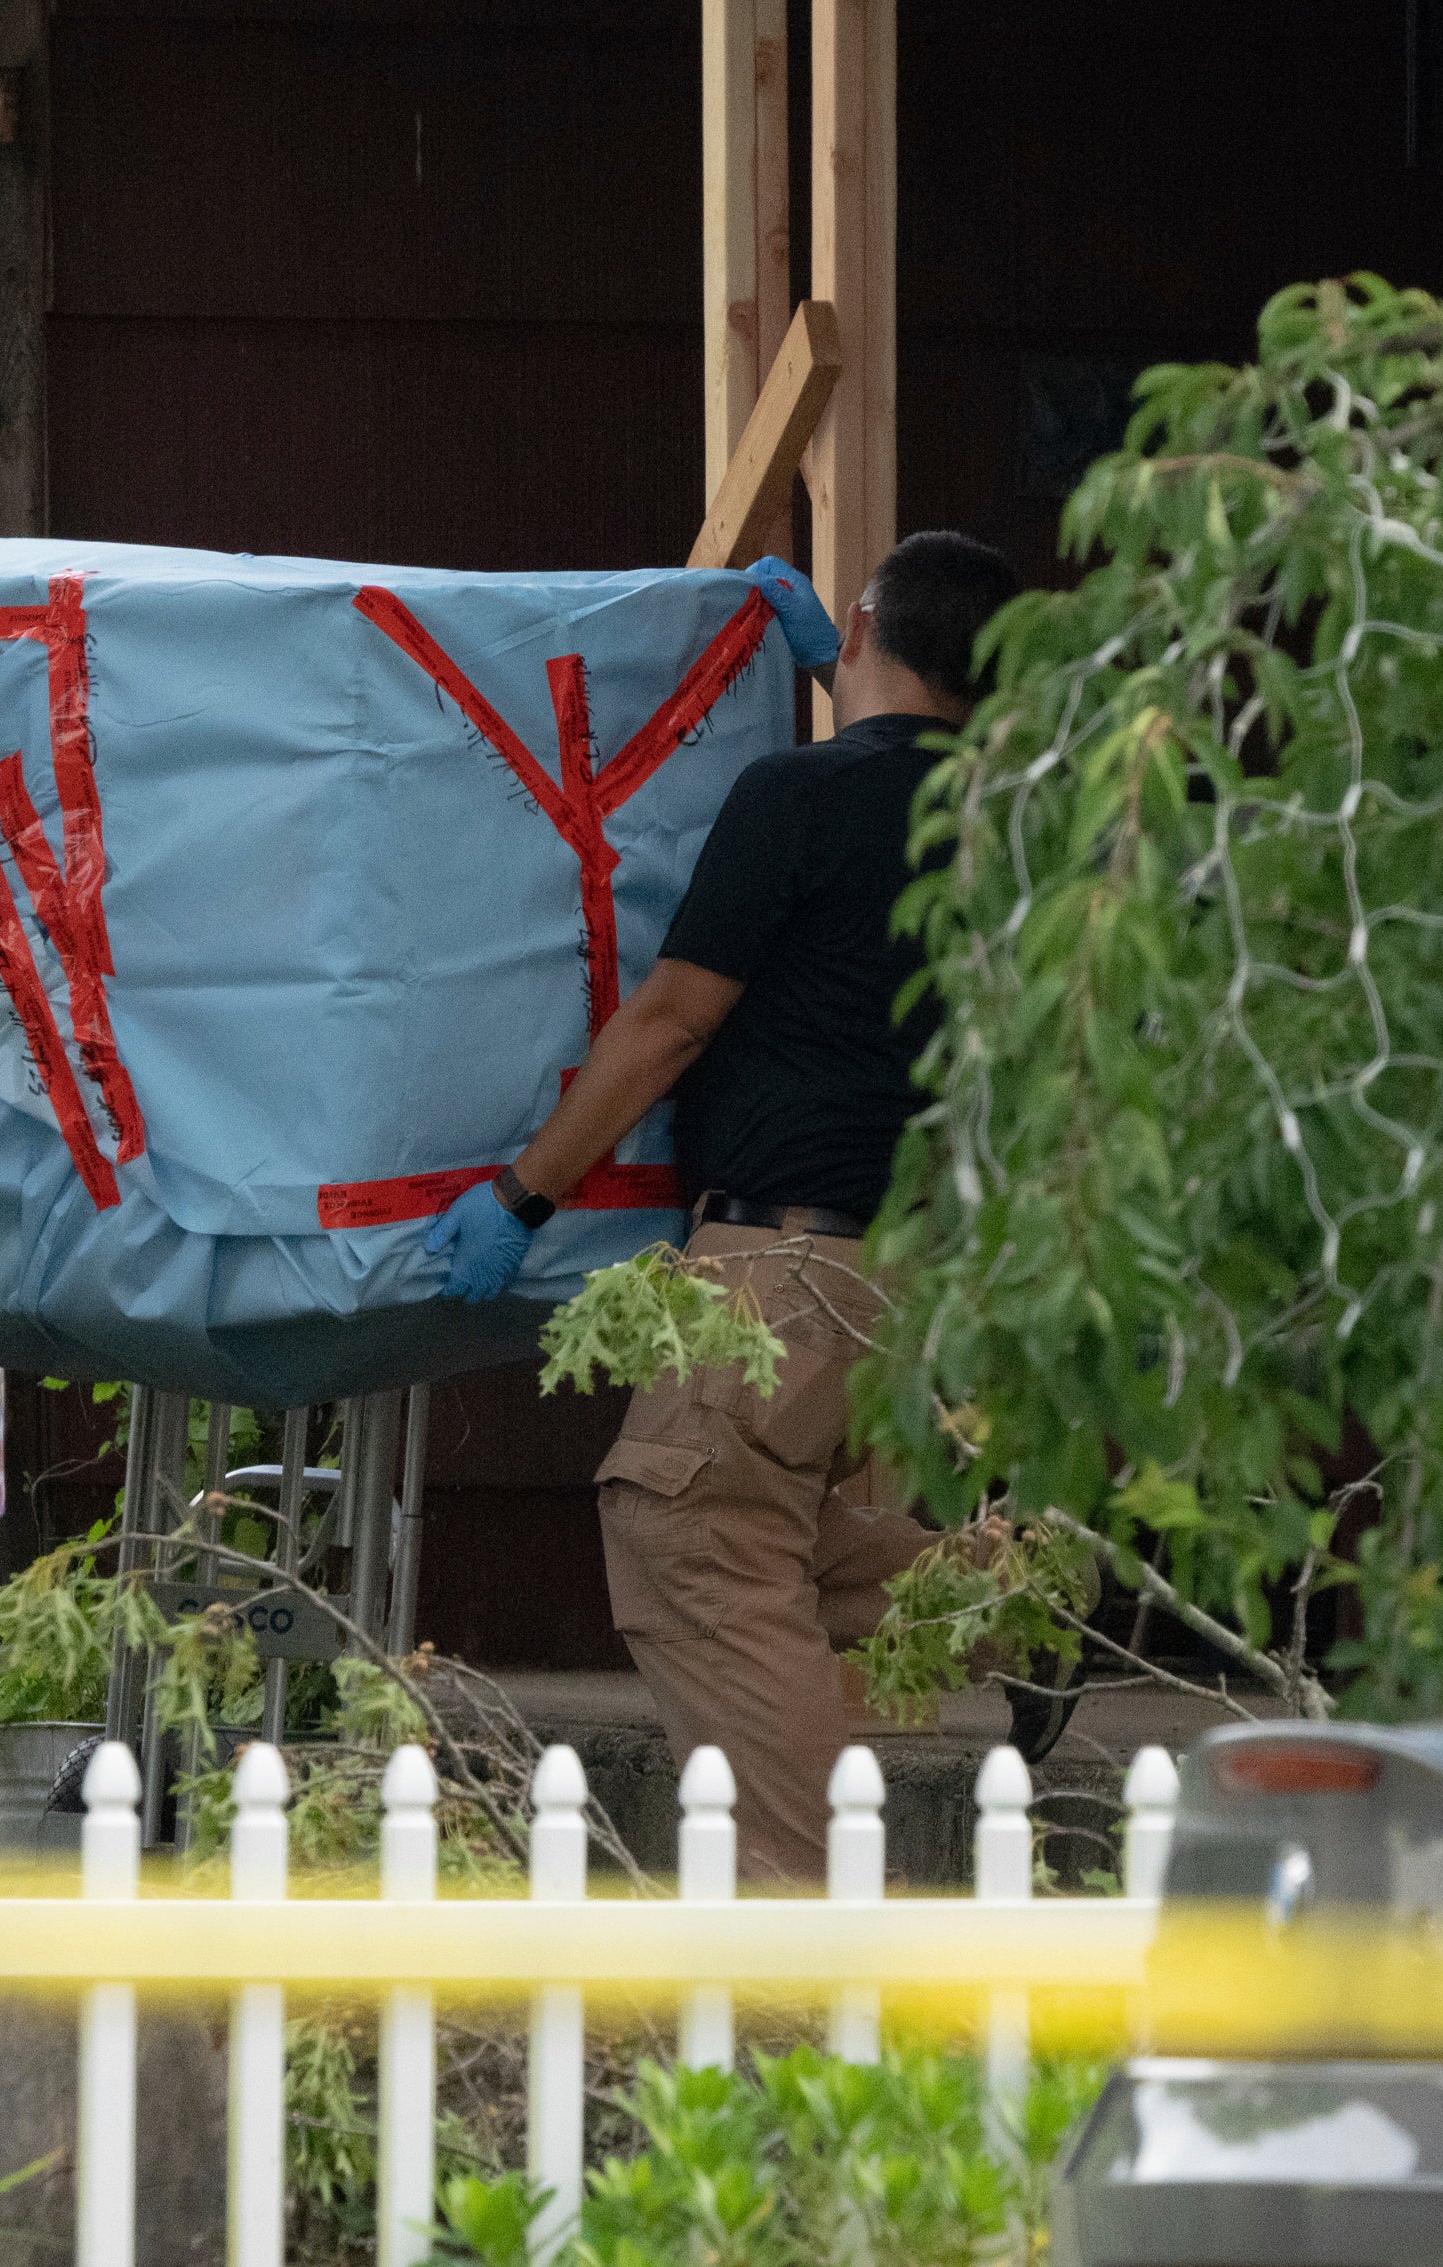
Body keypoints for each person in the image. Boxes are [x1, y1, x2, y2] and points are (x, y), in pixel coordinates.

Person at [424, 533, 1024, 1882]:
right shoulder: (1016, 817)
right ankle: (1014, 1602)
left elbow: (674, 1021)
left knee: (687, 1532)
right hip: (917, 1272)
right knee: (772, 1533)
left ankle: (804, 1901)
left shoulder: (794, 797)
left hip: (782, 1260)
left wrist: (521, 1196)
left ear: (856, 623)